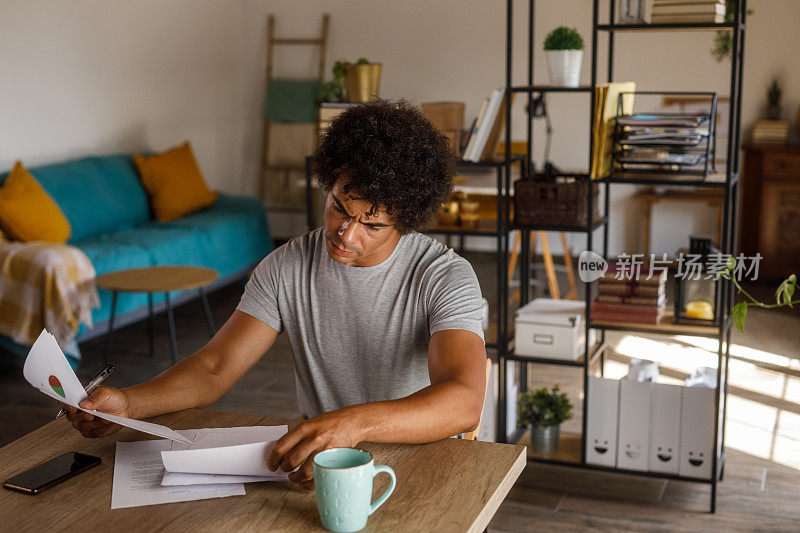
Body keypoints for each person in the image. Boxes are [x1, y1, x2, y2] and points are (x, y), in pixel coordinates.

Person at [62, 100, 487, 490]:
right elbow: (214, 368)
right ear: (329, 184)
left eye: (372, 225)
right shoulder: (287, 266)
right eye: (340, 206)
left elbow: (463, 399)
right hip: (326, 462)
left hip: (422, 462)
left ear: (406, 222)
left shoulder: (442, 276)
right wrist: (129, 403)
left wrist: (352, 424)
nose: (345, 232)